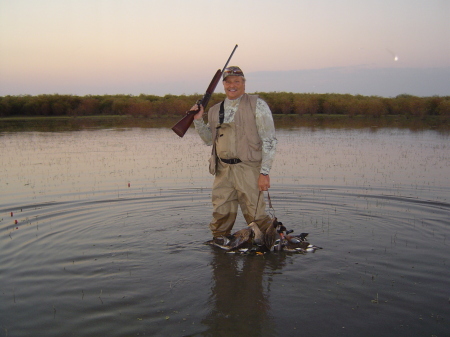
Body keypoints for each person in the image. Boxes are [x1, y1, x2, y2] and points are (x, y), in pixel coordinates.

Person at [192, 66, 277, 242]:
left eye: (237, 81)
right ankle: (220, 250)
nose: (232, 85)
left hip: (248, 169)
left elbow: (269, 141)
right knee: (221, 214)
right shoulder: (215, 110)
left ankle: (269, 251)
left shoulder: (257, 104)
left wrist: (264, 173)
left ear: (243, 84)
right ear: (223, 84)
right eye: (228, 82)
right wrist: (198, 119)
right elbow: (209, 139)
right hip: (222, 171)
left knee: (256, 215)